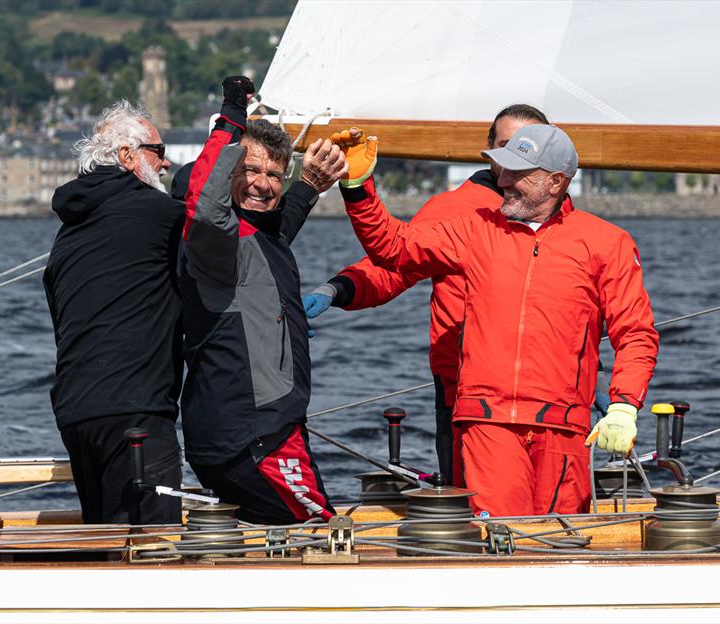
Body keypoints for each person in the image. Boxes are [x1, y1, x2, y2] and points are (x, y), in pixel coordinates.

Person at [334, 124, 659, 517]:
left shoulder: (607, 242)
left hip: (563, 429)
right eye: (502, 170)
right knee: (503, 537)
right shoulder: (475, 228)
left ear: (555, 182)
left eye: (517, 174)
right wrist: (357, 186)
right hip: (487, 422)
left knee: (559, 542)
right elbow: (394, 248)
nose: (503, 181)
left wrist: (624, 406)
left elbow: (636, 333)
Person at [303, 105, 549, 484]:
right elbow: (396, 263)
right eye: (507, 144)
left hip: (550, 386)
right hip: (467, 388)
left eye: (529, 145)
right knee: (472, 499)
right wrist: (337, 289)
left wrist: (589, 374)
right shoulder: (455, 210)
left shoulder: (561, 214)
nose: (518, 155)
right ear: (488, 149)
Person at [178, 76, 348, 525]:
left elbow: (278, 222)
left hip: (254, 432)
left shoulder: (260, 235)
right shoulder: (217, 241)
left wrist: (309, 183)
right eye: (250, 171)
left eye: (274, 174)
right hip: (256, 437)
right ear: (230, 173)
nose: (263, 184)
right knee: (321, 535)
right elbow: (204, 204)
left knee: (289, 539)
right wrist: (231, 116)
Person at [44, 101, 184, 525]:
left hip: (76, 413)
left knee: (105, 542)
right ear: (128, 155)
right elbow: (224, 238)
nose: (166, 161)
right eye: (157, 150)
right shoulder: (158, 213)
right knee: (151, 548)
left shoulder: (68, 232)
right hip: (135, 409)